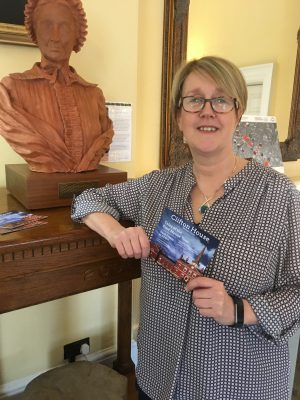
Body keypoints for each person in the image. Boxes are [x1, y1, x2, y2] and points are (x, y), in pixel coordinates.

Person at [71, 56, 300, 399]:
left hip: (238, 385)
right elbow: (86, 200)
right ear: (179, 117)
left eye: (221, 99)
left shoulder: (281, 198)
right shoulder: (156, 187)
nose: (207, 111)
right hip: (158, 378)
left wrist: (240, 310)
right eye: (194, 100)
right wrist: (117, 231)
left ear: (238, 113)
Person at [0, 0, 113, 173]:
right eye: (46, 25)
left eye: (64, 26)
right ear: (34, 31)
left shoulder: (94, 95)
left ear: (77, 34)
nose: (55, 36)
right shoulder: (9, 91)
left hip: (91, 197)